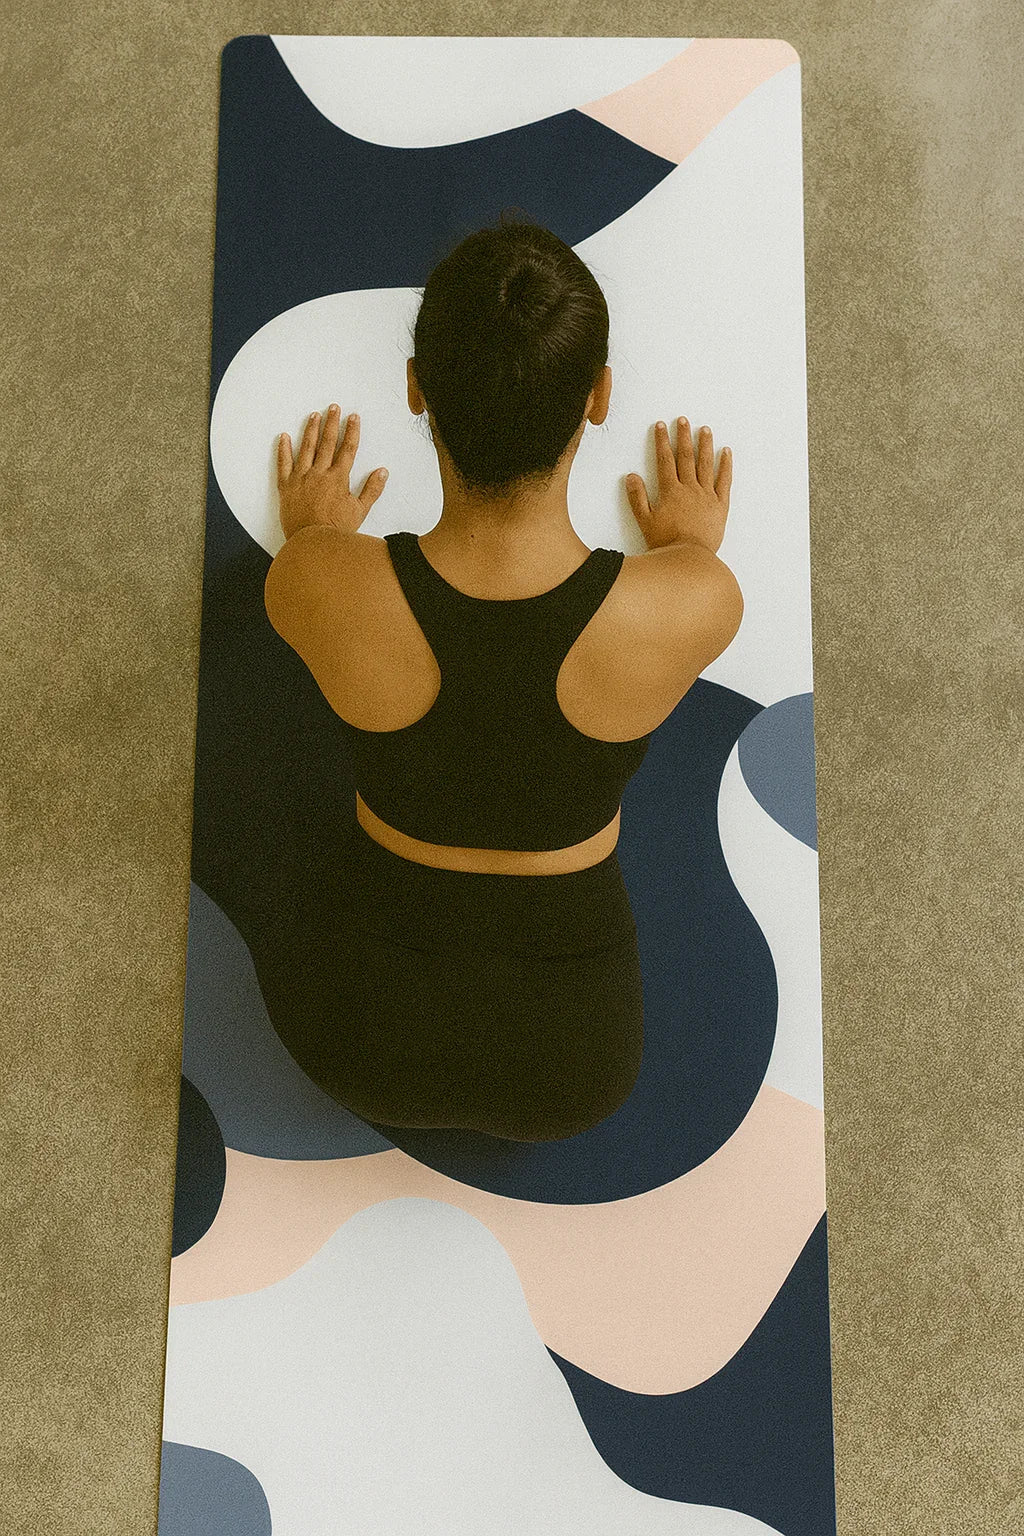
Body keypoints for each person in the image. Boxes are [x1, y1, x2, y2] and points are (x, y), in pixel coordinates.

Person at [262, 213, 742, 1142]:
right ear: (598, 399)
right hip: (574, 1072)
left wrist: (318, 531)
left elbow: (310, 562)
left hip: (362, 1048)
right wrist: (686, 549)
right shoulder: (694, 605)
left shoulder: (316, 583)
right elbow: (695, 580)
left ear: (415, 390)